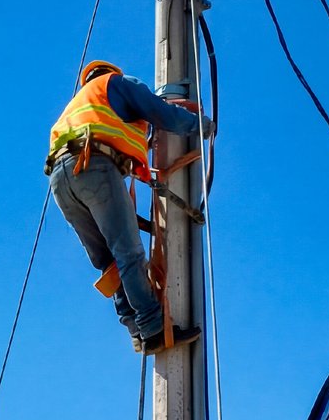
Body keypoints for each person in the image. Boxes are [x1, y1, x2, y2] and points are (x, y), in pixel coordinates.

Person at [46, 59, 212, 354]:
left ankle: (136, 329)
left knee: (107, 261)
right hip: (93, 166)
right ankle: (153, 329)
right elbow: (162, 114)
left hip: (61, 182)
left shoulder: (77, 106)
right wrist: (198, 126)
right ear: (112, 73)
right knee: (127, 252)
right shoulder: (116, 85)